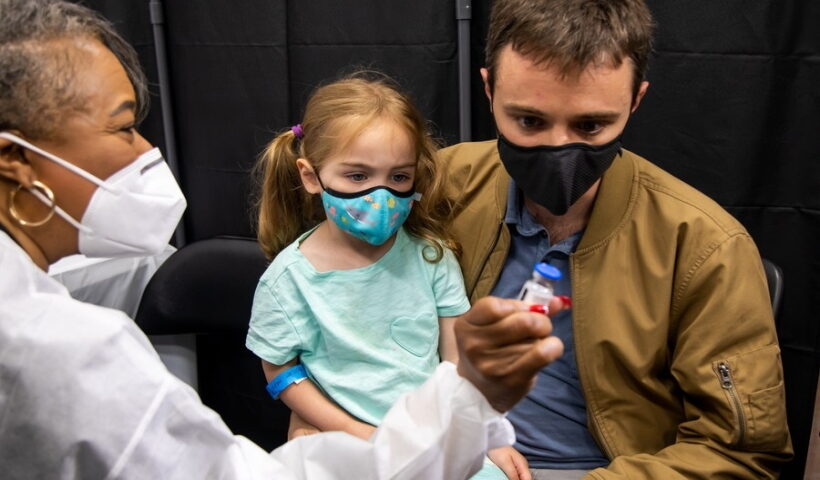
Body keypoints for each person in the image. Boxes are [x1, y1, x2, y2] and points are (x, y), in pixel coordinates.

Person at [0, 0, 567, 478]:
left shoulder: (428, 257)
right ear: (15, 163)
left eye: (399, 177)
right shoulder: (53, 349)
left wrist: (469, 424)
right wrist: (453, 414)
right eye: (124, 127)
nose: (146, 153)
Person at [439, 0, 793, 479]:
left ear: (635, 101)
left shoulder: (705, 248)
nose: (558, 149)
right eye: (528, 121)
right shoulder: (440, 187)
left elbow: (740, 451)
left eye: (590, 126)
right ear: (488, 88)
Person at [246, 74, 507, 478]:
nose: (381, 195)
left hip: (431, 444)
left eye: (399, 177)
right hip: (343, 449)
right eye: (358, 176)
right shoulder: (288, 282)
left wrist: (488, 440)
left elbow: (458, 361)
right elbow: (280, 370)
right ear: (311, 176)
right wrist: (356, 433)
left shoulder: (432, 259)